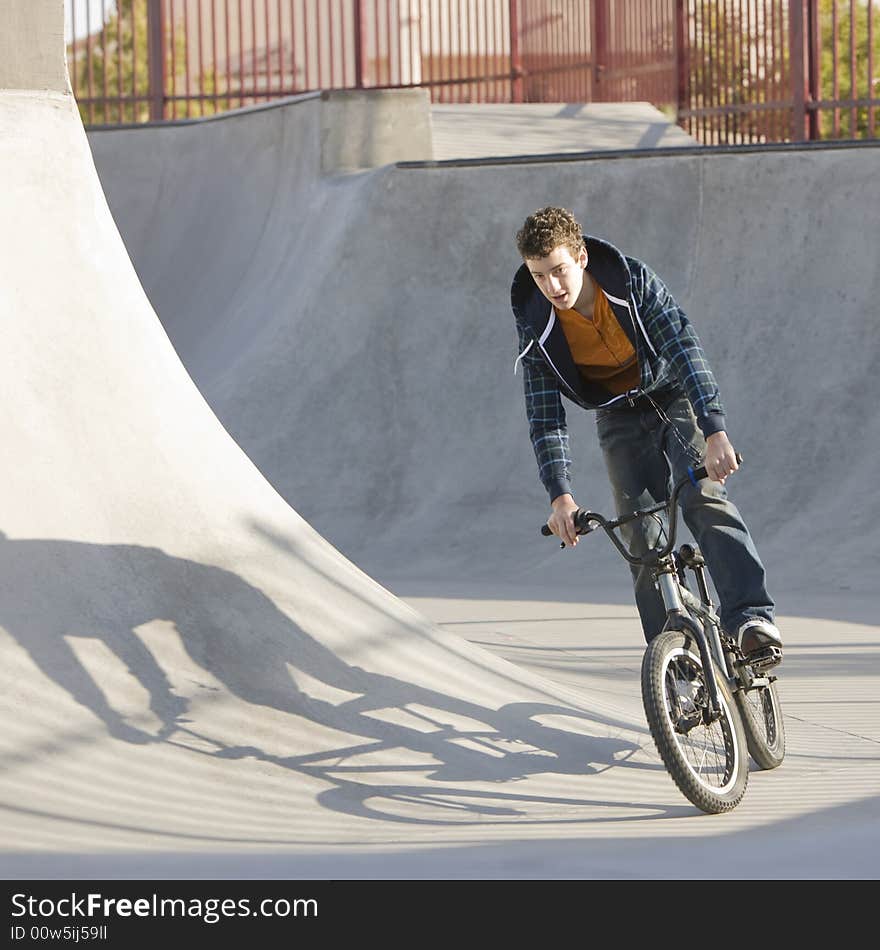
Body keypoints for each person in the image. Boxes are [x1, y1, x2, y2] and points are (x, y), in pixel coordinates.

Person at [511, 206, 782, 666]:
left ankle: (751, 619)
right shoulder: (535, 322)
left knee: (702, 495)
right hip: (616, 416)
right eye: (539, 277)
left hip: (669, 396)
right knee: (640, 539)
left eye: (558, 271)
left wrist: (714, 429)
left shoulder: (629, 281)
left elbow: (682, 346)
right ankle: (674, 664)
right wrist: (560, 496)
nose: (552, 287)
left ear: (579, 257)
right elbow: (544, 415)